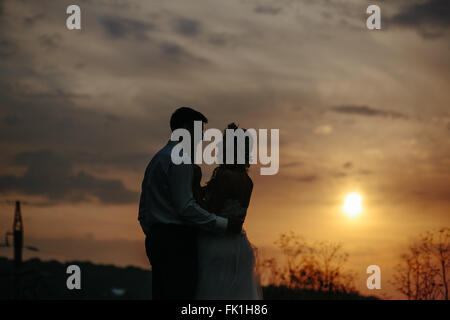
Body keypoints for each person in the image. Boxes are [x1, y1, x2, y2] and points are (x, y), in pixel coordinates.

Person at [138, 107, 243, 300]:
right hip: (177, 242)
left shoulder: (157, 159)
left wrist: (155, 233)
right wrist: (224, 224)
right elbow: (185, 207)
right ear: (186, 127)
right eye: (199, 130)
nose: (201, 137)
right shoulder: (180, 158)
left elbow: (143, 211)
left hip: (156, 239)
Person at [195, 123, 262, 299]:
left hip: (217, 245)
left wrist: (193, 193)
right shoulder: (247, 180)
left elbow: (211, 212)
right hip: (238, 247)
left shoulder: (225, 177)